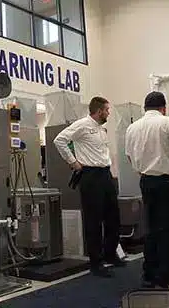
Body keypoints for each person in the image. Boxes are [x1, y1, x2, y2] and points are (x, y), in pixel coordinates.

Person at [125, 92, 169, 288]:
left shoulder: (132, 128)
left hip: (146, 182)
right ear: (163, 107)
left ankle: (150, 273)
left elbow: (129, 157)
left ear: (145, 108)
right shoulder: (168, 123)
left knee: (152, 229)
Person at [53, 96, 123, 277]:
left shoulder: (102, 129)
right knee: (94, 220)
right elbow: (59, 140)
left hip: (105, 174)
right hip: (90, 176)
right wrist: (73, 162)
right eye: (107, 110)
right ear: (99, 111)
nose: (108, 113)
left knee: (113, 217)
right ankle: (96, 263)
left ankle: (110, 254)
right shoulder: (82, 125)